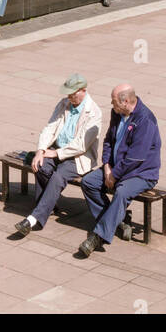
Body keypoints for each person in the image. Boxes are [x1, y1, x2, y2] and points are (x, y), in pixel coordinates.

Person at [13, 75, 102, 237]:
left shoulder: (94, 112)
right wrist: (41, 150)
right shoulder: (63, 104)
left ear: (83, 90)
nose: (69, 97)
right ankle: (49, 205)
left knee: (58, 177)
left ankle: (35, 219)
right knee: (38, 165)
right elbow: (50, 128)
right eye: (67, 93)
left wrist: (55, 153)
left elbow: (82, 145)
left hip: (78, 157)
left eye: (72, 94)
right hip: (56, 149)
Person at [78, 85, 161, 256]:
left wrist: (114, 175)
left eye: (114, 100)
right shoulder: (116, 113)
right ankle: (119, 221)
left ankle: (98, 236)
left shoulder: (145, 120)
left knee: (121, 193)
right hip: (114, 168)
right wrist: (107, 165)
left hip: (141, 173)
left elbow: (135, 158)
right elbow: (109, 140)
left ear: (125, 101)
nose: (111, 103)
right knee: (88, 182)